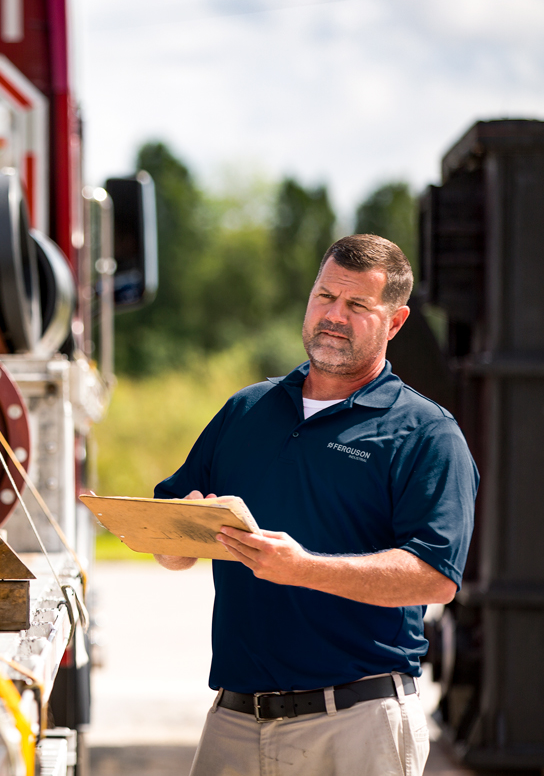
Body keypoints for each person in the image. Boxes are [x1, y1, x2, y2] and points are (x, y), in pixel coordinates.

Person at [155, 234, 477, 776]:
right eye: (325, 297)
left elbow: (433, 577)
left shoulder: (425, 433)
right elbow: (172, 543)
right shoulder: (246, 410)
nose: (334, 316)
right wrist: (181, 536)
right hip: (235, 721)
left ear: (394, 322)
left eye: (356, 306)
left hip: (358, 725)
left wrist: (302, 570)